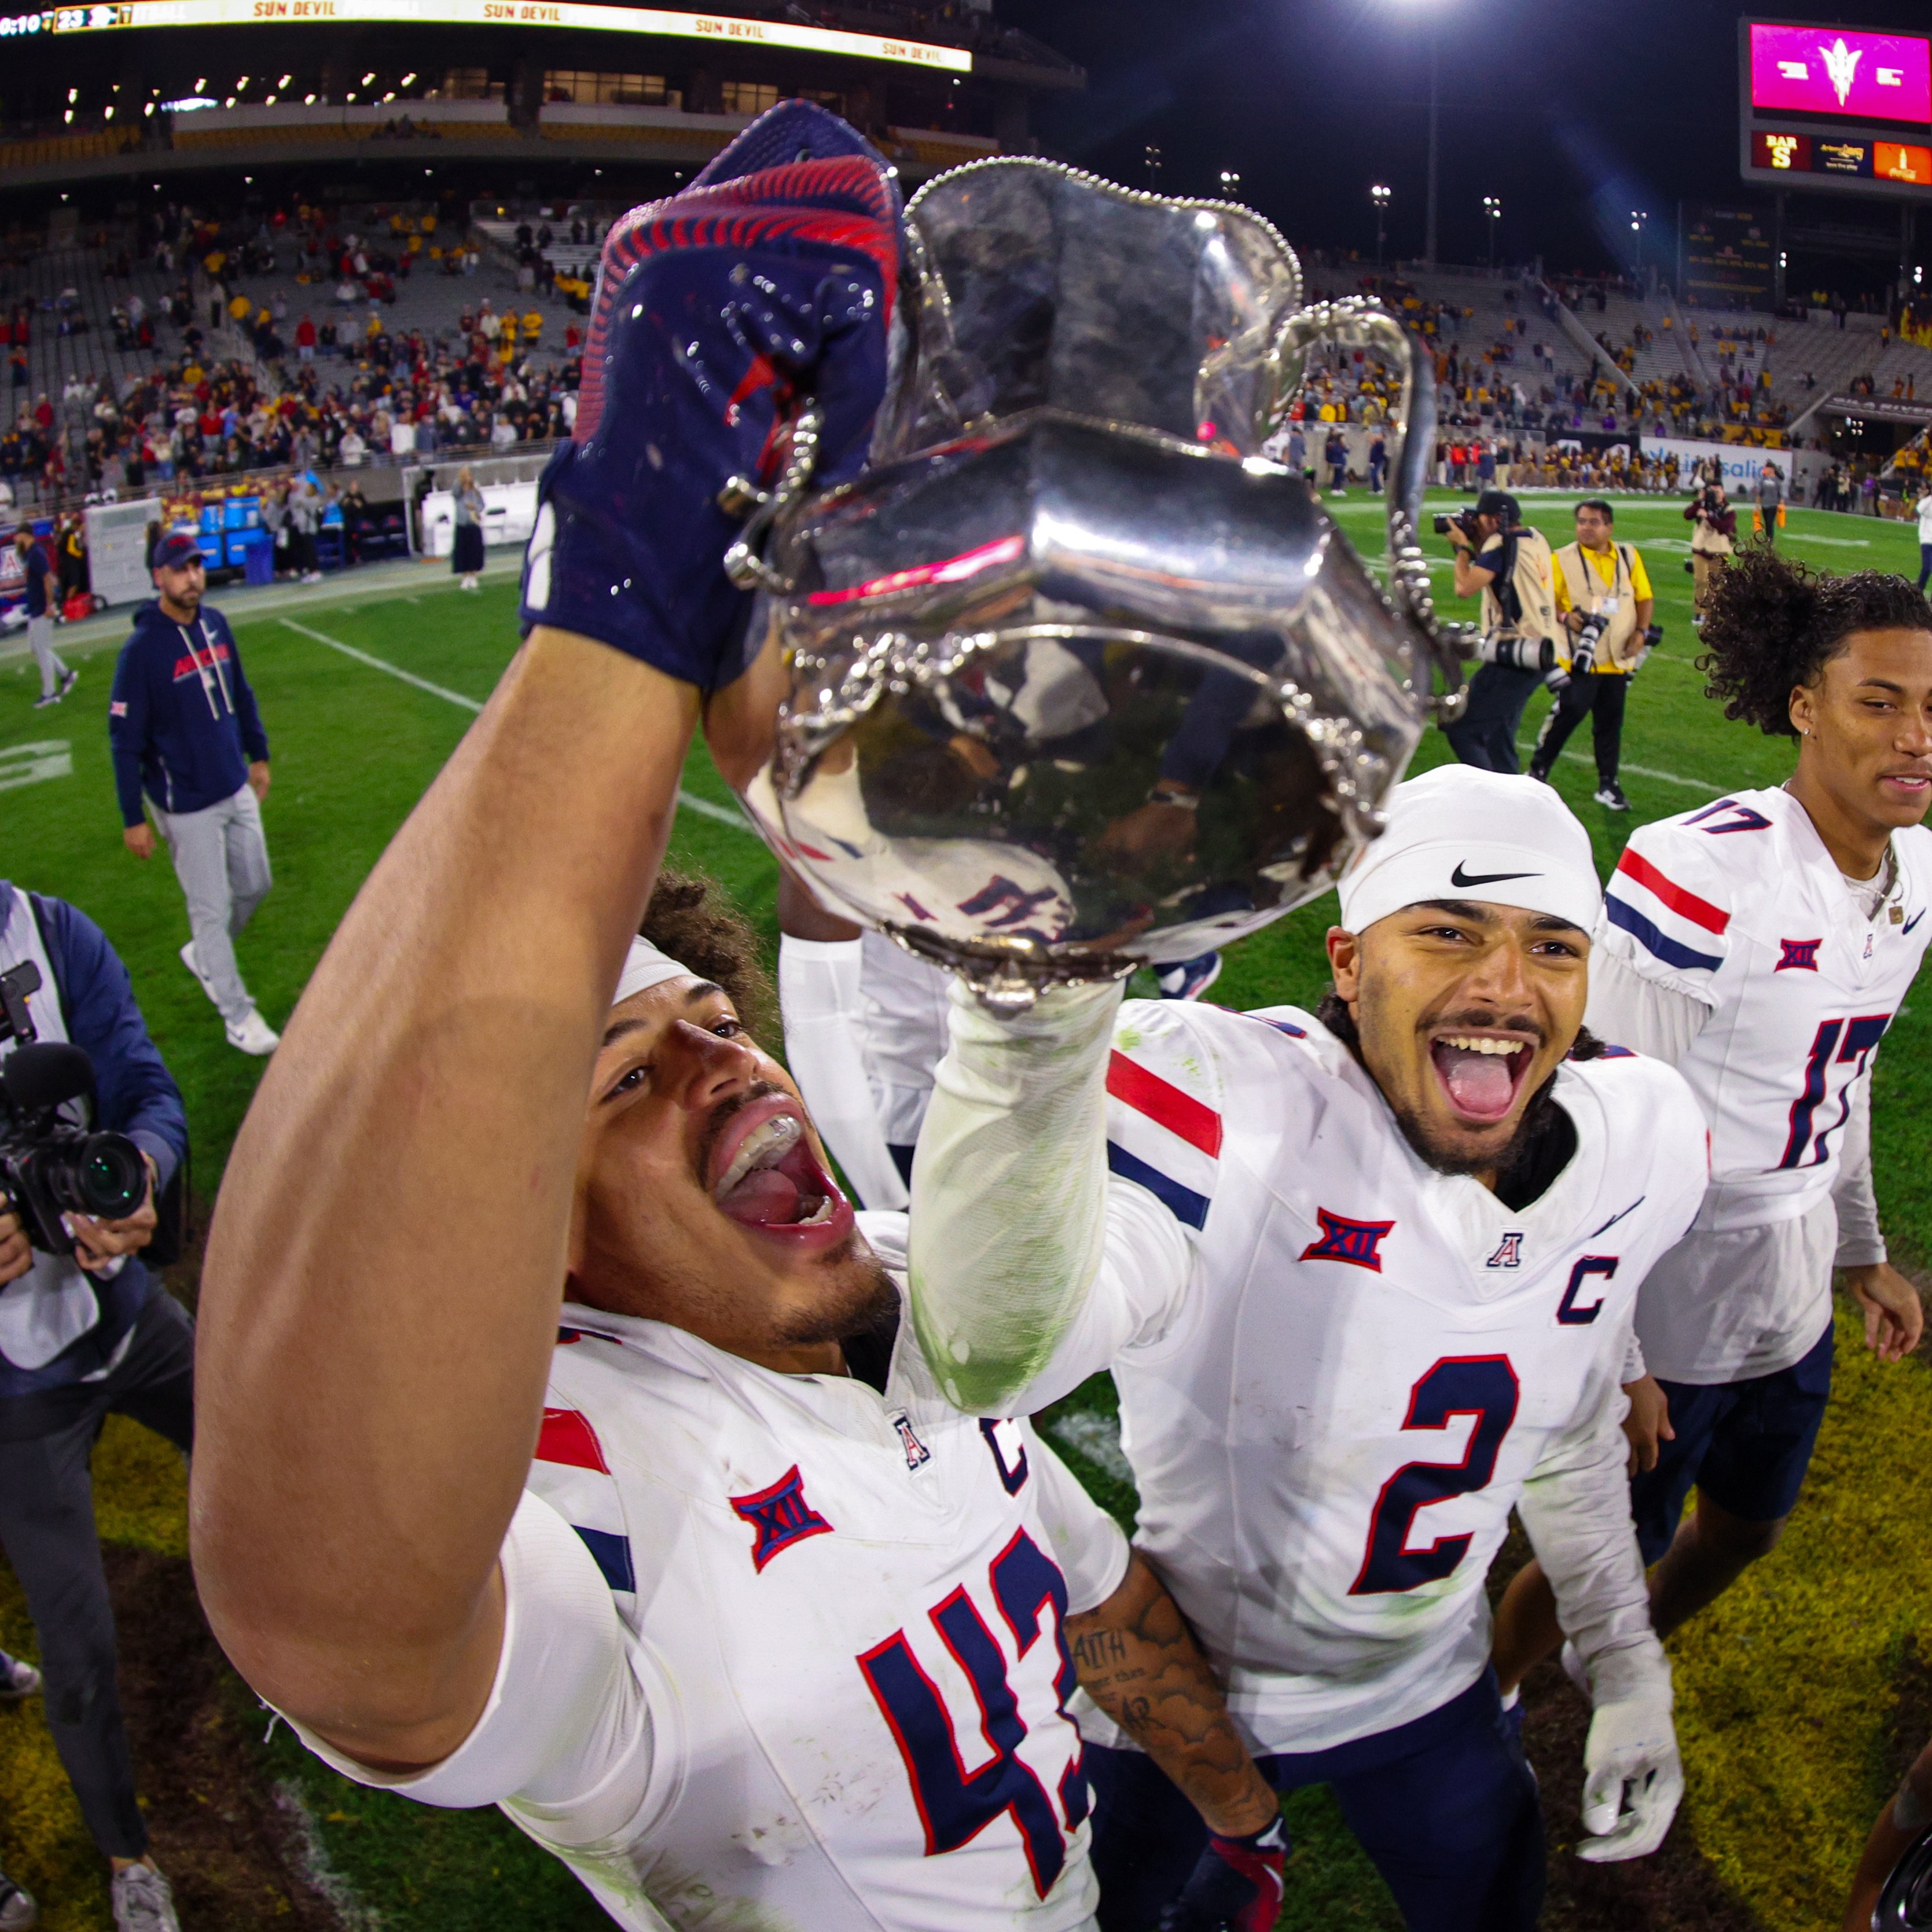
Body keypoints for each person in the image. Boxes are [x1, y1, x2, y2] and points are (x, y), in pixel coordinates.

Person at [190, 102, 1285, 1932]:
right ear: (519, 1236)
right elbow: (346, 1622)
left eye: (715, 1018)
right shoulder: (599, 1468)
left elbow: (1090, 1580)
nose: (727, 1055)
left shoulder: (900, 1280)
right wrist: (626, 557)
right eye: (629, 1069)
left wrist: (1234, 1812)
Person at [907, 765, 1712, 1931]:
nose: (1503, 982)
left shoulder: (1639, 1141)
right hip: (1195, 1697)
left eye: (1552, 946)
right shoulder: (1230, 1108)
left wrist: (1625, 1658)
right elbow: (995, 1364)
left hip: (1432, 1677)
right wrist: (1031, 1016)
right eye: (1448, 930)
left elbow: (1570, 1419)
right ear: (1346, 962)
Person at [1492, 552, 1932, 1697]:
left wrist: (1860, 1251)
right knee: (1598, 1547)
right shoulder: (1706, 867)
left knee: (1743, 1530)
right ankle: (1484, 1693)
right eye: (1877, 702)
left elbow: (1849, 1075)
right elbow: (1596, 1119)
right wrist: (1621, 1351)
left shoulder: (1914, 875)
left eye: (1931, 708)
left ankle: (1610, 1665)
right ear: (1803, 706)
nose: (1913, 736)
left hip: (1787, 1288)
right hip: (1671, 1282)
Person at [0, 879, 192, 1932]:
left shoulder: (57, 932)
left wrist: (145, 1174)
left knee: (264, 1456)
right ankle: (126, 1853)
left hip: (124, 1309)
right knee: (78, 1657)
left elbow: (146, 1091)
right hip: (15, 1388)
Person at [109, 531, 278, 1056]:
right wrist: (131, 816)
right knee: (211, 909)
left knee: (255, 884)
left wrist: (259, 753)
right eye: (181, 569)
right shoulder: (141, 653)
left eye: (197, 567)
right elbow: (124, 741)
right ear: (159, 577)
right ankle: (237, 1014)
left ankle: (207, 954)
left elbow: (241, 693)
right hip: (185, 804)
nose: (192, 577)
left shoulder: (216, 624)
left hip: (234, 782)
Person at [776, 866, 952, 1211]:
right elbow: (817, 1020)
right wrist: (888, 1203)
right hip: (916, 1107)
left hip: (1048, 1090)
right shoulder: (832, 826)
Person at [1527, 498, 1655, 811]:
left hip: (1617, 655)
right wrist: (1563, 617)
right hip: (1579, 656)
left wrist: (1642, 632)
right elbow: (1543, 602)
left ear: (1609, 527)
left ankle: (1608, 784)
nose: (1586, 527)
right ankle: (1537, 771)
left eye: (1594, 522)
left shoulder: (1627, 556)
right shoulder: (1561, 559)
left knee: (1610, 723)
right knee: (1569, 713)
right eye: (1582, 521)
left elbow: (1644, 597)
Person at [1442, 489, 1564, 773]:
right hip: (1538, 651)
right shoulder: (1536, 538)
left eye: (1480, 518)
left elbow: (1464, 587)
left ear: (1496, 520)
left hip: (1515, 655)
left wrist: (1463, 549)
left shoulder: (1501, 545)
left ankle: (1492, 795)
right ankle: (1511, 798)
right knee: (1499, 737)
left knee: (1459, 726)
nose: (1474, 524)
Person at [15, 522, 73, 711]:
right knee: (37, 647)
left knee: (41, 649)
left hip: (41, 607)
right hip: (36, 606)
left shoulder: (36, 553)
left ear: (24, 535)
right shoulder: (31, 553)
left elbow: (47, 579)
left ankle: (49, 692)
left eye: (17, 535)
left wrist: (49, 605)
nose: (16, 539)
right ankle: (65, 674)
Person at [1685, 482, 1736, 629]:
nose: (1714, 495)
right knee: (1700, 581)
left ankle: (1711, 614)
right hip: (1701, 549)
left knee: (1716, 585)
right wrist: (1699, 502)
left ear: (1723, 492)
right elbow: (1687, 515)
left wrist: (1709, 517)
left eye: (1717, 491)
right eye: (1711, 492)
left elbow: (1725, 528)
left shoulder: (1729, 509)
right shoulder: (1702, 505)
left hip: (1719, 551)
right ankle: (1699, 612)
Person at [451, 465, 484, 590]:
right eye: (464, 476)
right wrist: (460, 480)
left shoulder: (475, 491)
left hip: (474, 523)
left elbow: (482, 505)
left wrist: (475, 507)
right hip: (462, 524)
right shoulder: (458, 492)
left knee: (474, 551)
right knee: (462, 551)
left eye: (467, 475)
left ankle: (473, 575)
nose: (466, 478)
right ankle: (465, 576)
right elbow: (454, 492)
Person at [1755, 460, 1786, 548]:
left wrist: (1781, 505)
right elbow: (1760, 493)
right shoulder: (1763, 480)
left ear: (1772, 469)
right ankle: (1768, 539)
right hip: (1764, 504)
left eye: (1767, 468)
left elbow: (1780, 494)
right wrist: (1758, 505)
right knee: (1766, 523)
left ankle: (1770, 540)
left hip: (1773, 504)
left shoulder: (1777, 480)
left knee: (1770, 522)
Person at [1915, 479, 1932, 594]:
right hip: (1927, 539)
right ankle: (1918, 590)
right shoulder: (1928, 501)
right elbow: (1919, 509)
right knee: (1927, 567)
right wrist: (1925, 498)